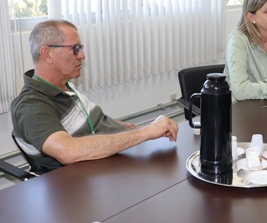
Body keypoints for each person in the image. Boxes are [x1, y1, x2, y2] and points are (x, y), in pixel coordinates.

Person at [11, 20, 179, 173]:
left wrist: (125, 128)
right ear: (47, 54)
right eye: (75, 49)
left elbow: (88, 121)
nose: (82, 56)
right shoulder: (30, 106)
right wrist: (145, 133)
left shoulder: (62, 86)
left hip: (116, 160)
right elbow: (68, 151)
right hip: (91, 177)